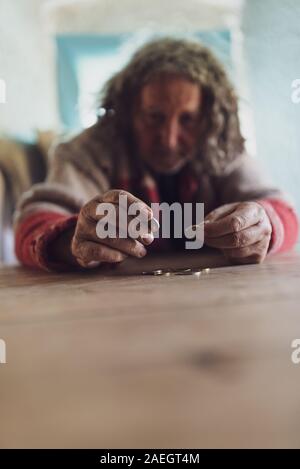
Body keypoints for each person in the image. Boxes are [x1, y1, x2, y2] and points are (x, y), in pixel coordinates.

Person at [14, 38, 299, 271]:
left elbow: (281, 211)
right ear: (127, 113)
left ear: (210, 119)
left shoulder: (220, 144)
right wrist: (70, 240)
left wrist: (263, 226)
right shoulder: (90, 149)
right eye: (154, 117)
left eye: (188, 120)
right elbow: (33, 224)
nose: (169, 139)